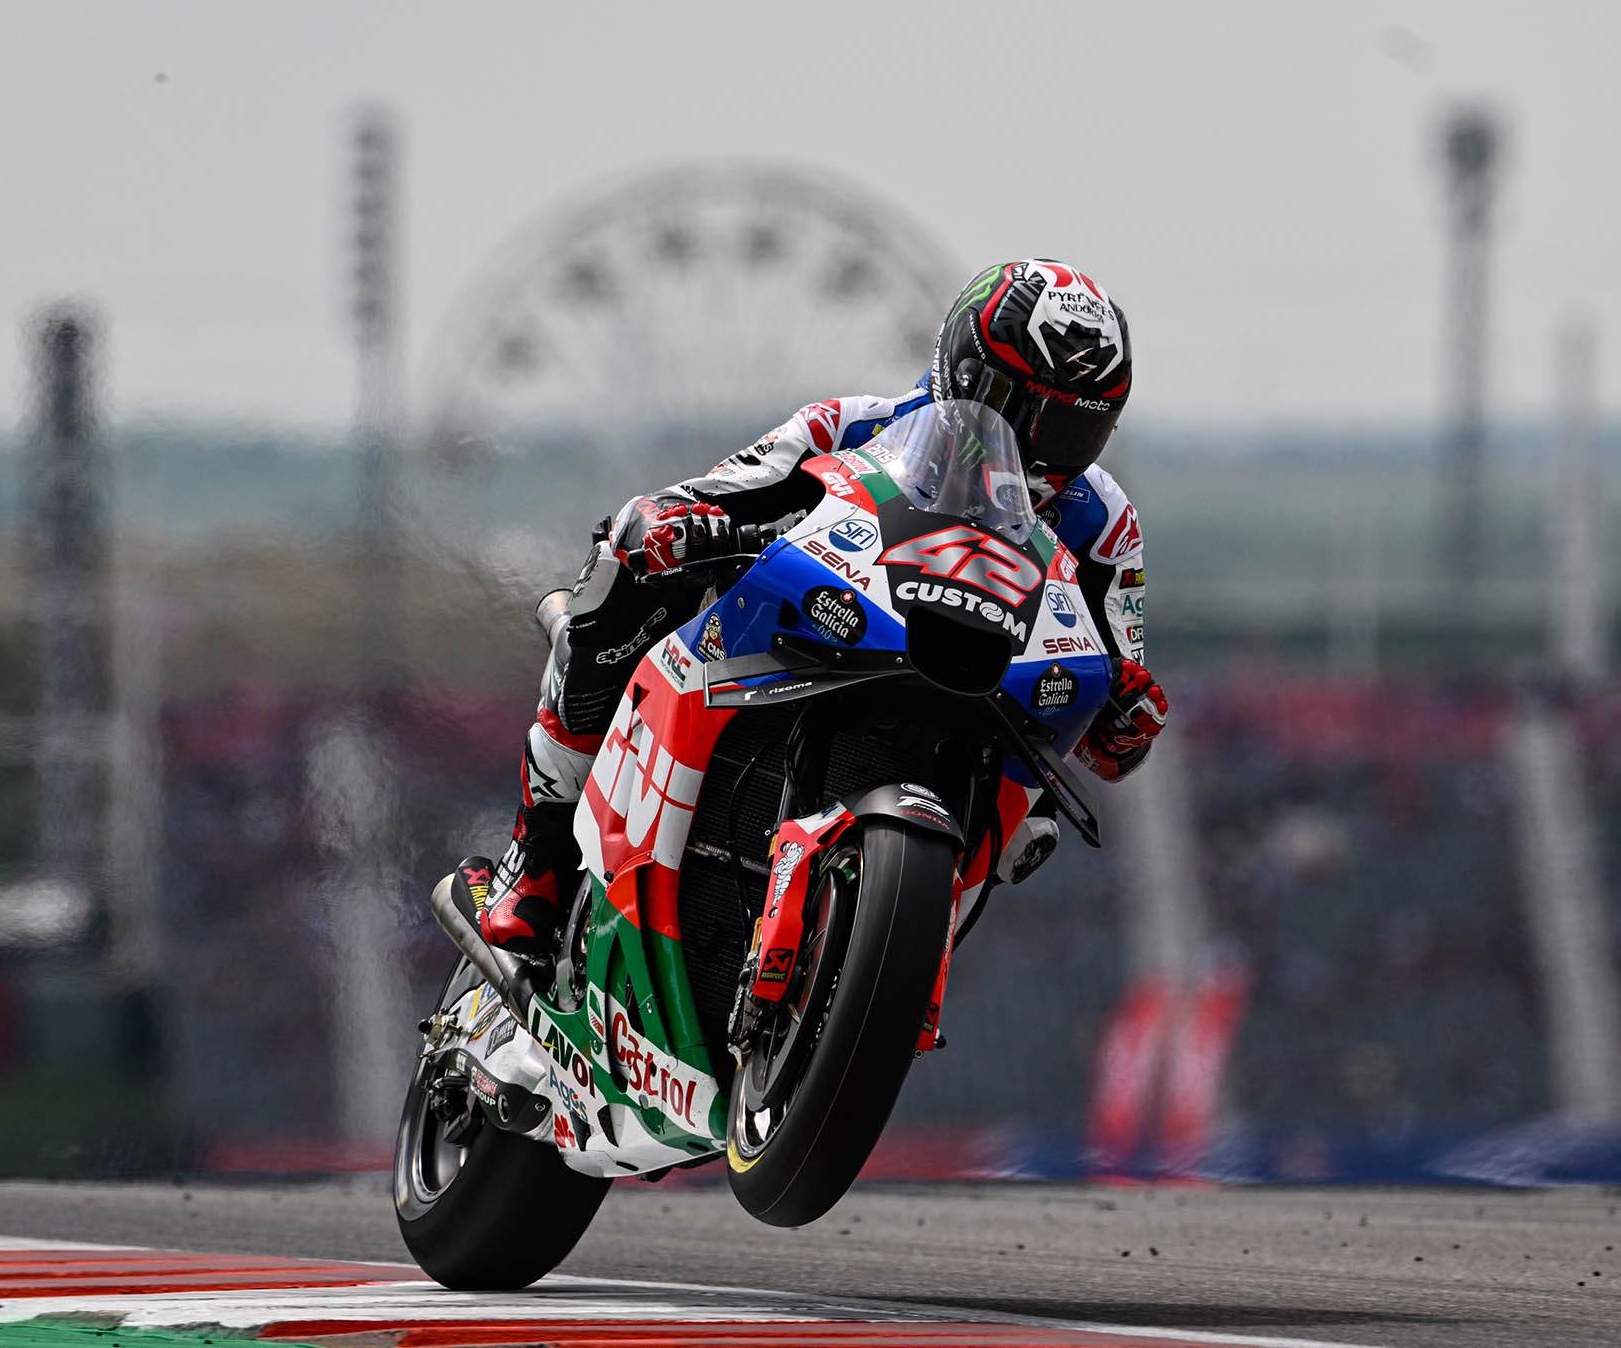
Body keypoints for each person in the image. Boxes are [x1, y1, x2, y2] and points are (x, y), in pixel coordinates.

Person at [480, 259, 1169, 957]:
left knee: (1036, 827)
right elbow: (700, 499)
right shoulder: (849, 426)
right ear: (966, 375)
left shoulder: (1105, 524)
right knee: (625, 568)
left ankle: (881, 970)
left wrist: (1128, 720)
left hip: (973, 711)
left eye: (1077, 432)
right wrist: (674, 523)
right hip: (816, 644)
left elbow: (1114, 703)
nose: (1047, 451)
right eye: (1035, 417)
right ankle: (536, 855)